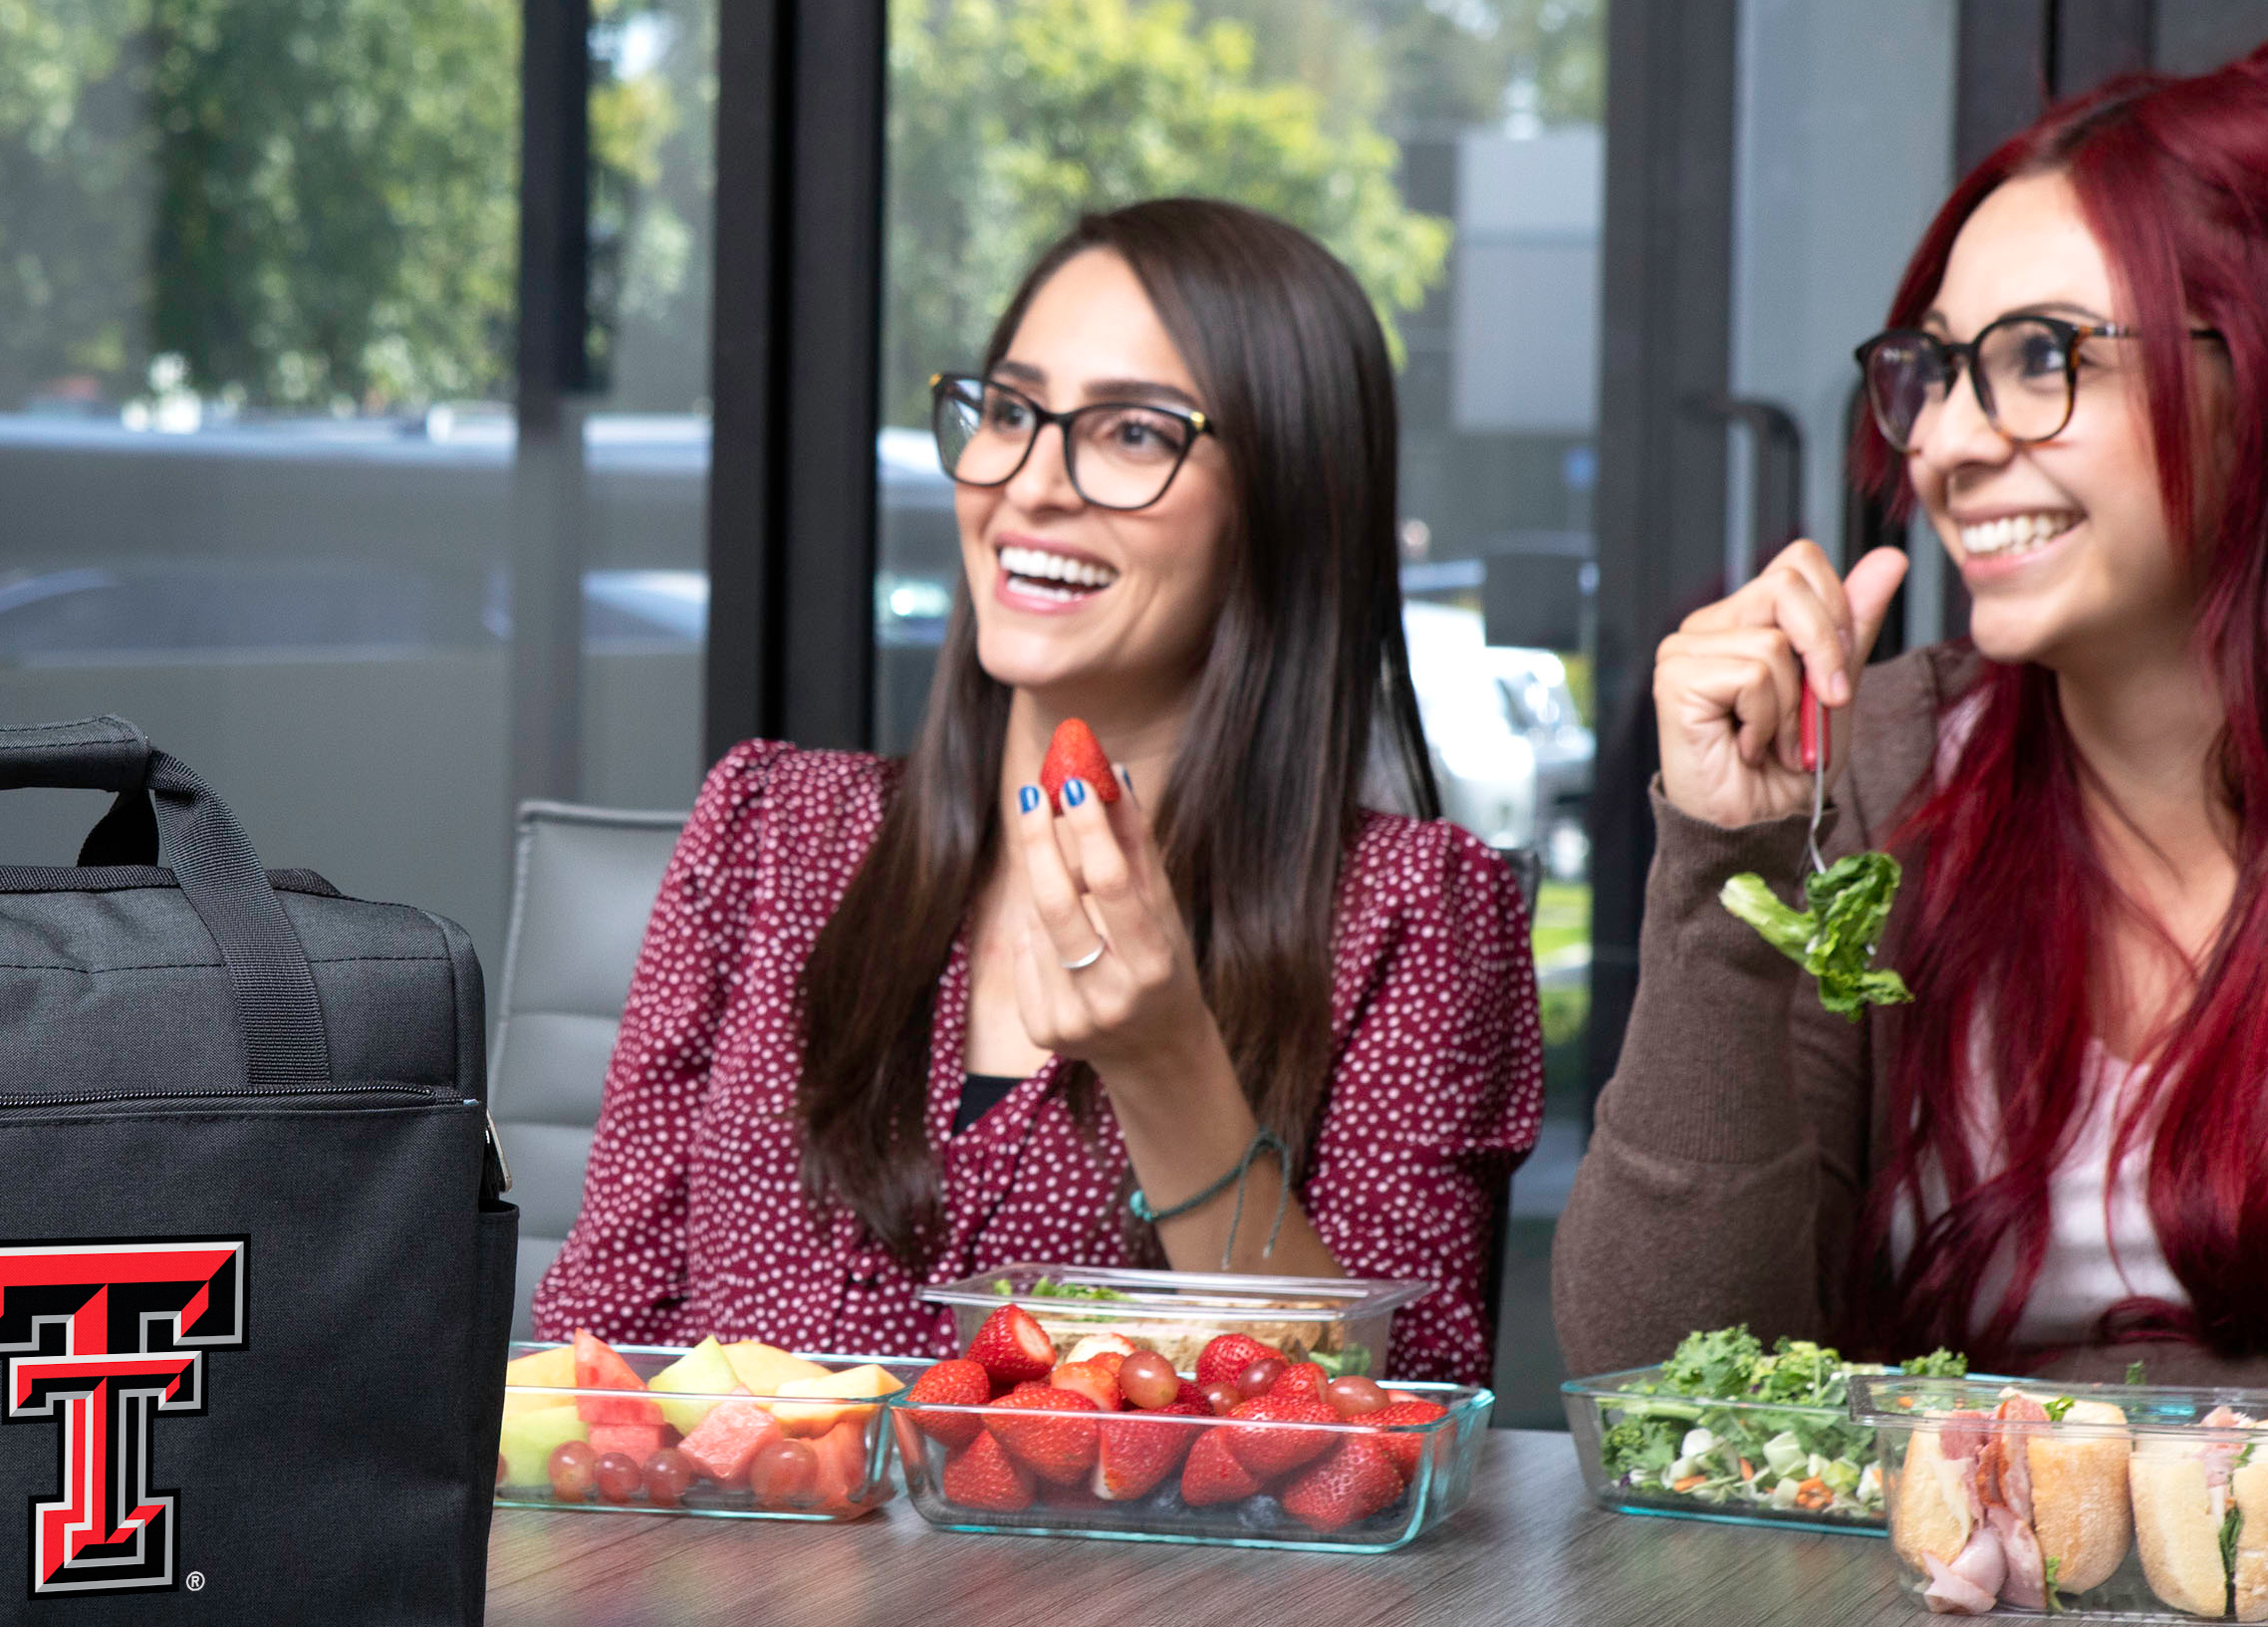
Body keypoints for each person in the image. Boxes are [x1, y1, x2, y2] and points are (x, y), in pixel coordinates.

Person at [534, 199, 1546, 1382]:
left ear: (1286, 503)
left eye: (1132, 434)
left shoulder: (1416, 917)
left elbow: (1394, 1425)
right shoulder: (770, 833)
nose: (1031, 485)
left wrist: (1167, 1067)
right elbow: (591, 1355)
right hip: (741, 1516)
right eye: (1011, 412)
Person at [1558, 26, 2268, 1428]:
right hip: (1930, 1571)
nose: (1940, 442)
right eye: (1933, 370)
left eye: (2042, 356)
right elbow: (1668, 1389)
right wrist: (1724, 862)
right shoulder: (1877, 766)